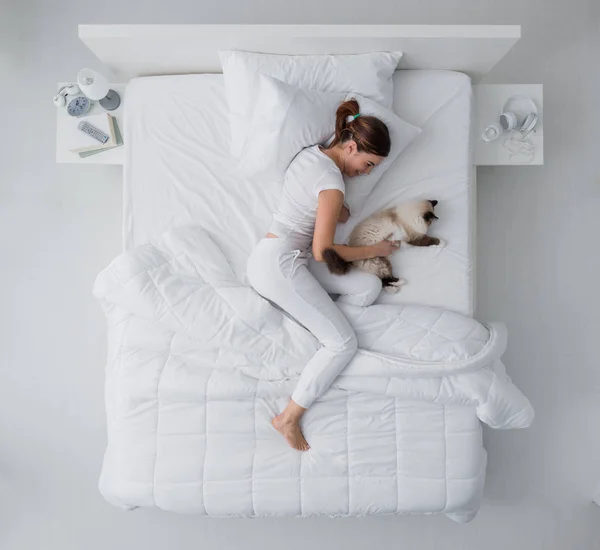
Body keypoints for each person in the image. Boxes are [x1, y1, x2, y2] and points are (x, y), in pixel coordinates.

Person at [246, 99, 397, 451]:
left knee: (367, 286)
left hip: (285, 256)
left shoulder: (312, 155)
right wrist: (375, 250)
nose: (367, 172)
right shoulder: (332, 185)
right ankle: (288, 418)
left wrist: (337, 210)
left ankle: (323, 328)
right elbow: (324, 252)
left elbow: (315, 205)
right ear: (350, 146)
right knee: (344, 343)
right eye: (367, 163)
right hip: (279, 265)